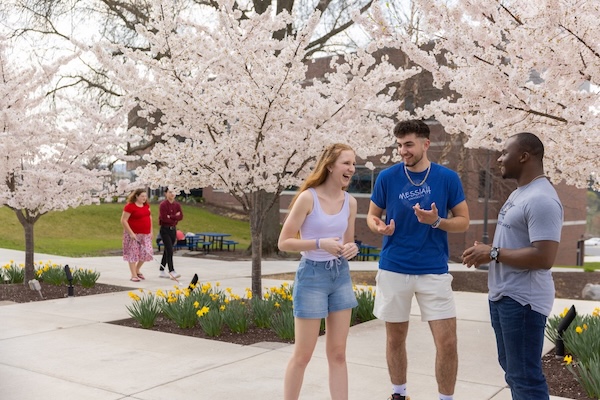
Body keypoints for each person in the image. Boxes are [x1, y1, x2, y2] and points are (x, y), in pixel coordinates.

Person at [367, 119, 470, 400]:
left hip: (433, 270)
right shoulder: (387, 177)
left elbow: (463, 221)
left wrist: (437, 221)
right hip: (394, 268)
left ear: (426, 144)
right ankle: (398, 394)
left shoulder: (447, 178)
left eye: (409, 144)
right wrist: (379, 227)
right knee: (395, 338)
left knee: (447, 342)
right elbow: (372, 215)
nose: (403, 151)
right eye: (399, 145)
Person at [461, 132, 563, 399]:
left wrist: (493, 252)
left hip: (523, 302)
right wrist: (486, 253)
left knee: (525, 377)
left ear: (524, 156)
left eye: (505, 153)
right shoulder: (521, 193)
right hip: (504, 296)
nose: (499, 159)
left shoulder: (542, 198)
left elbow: (544, 257)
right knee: (514, 372)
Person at [278, 143, 360, 400]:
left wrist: (351, 248)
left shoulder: (351, 202)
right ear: (330, 165)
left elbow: (347, 241)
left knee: (338, 353)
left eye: (353, 164)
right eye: (346, 163)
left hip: (340, 276)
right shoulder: (308, 198)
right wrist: (318, 243)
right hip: (312, 276)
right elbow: (284, 242)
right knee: (303, 355)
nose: (352, 168)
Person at [120, 189, 154, 282]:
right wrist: (131, 233)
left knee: (147, 252)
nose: (144, 198)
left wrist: (151, 231)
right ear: (136, 196)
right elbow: (123, 220)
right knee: (133, 254)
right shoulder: (130, 206)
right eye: (142, 196)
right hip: (133, 234)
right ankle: (133, 274)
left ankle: (137, 269)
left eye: (145, 196)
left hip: (145, 234)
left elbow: (149, 217)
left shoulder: (146, 206)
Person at [158, 188, 183, 279]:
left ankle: (161, 269)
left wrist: (171, 217)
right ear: (166, 193)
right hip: (165, 230)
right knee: (170, 250)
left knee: (167, 250)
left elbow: (180, 216)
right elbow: (164, 218)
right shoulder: (163, 205)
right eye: (170, 192)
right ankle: (172, 271)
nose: (172, 194)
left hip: (173, 230)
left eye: (174, 192)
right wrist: (174, 217)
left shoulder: (177, 205)